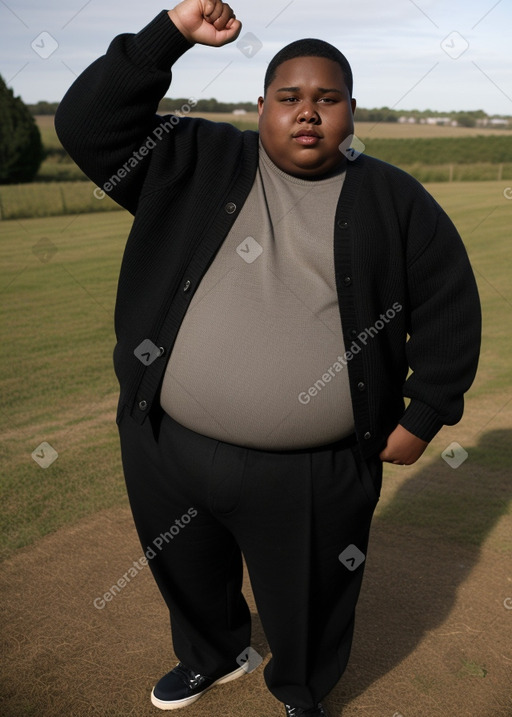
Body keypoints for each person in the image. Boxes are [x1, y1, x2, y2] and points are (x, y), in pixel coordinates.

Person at [54, 1, 481, 715]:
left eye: (326, 98)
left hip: (313, 471)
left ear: (352, 111)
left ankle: (301, 686)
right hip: (167, 445)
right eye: (289, 97)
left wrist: (428, 409)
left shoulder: (394, 199)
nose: (306, 112)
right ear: (262, 108)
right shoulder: (194, 159)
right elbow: (87, 126)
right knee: (185, 568)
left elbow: (449, 305)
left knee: (310, 592)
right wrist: (173, 32)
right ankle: (212, 654)